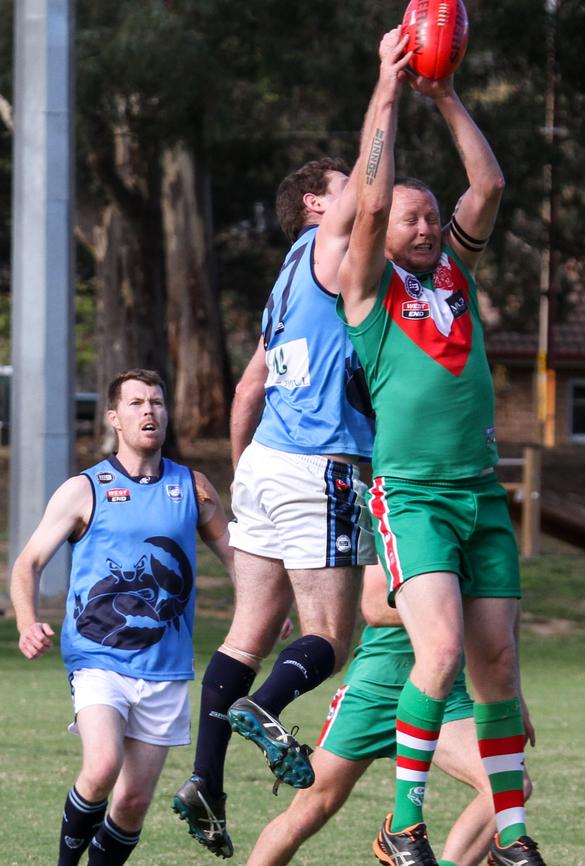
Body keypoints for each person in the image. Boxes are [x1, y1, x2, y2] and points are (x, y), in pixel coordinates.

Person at [171, 34, 414, 859]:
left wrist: (245, 484)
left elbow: (247, 389)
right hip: (322, 464)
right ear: (316, 204)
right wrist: (388, 87)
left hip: (267, 464)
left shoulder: (285, 276)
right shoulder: (327, 248)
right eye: (339, 190)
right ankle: (267, 710)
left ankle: (204, 777)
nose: (354, 193)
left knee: (247, 631)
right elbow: (371, 182)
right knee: (331, 637)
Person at [336, 29, 547, 866]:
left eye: (433, 216)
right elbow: (374, 201)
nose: (425, 226)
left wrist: (445, 94)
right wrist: (387, 89)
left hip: (480, 491)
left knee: (496, 661)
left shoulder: (454, 275)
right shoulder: (366, 288)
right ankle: (403, 826)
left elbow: (488, 182)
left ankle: (518, 835)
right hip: (414, 494)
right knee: (445, 650)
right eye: (412, 217)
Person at [10, 368, 234, 866]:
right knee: (103, 765)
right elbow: (27, 564)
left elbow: (236, 555)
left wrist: (264, 612)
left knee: (132, 804)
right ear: (114, 417)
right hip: (98, 659)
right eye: (135, 403)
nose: (149, 411)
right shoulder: (83, 489)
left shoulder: (192, 488)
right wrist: (28, 621)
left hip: (166, 667)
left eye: (156, 401)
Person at [244, 563, 533, 866]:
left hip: (443, 698)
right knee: (307, 812)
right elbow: (375, 607)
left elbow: (502, 623)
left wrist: (515, 698)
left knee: (510, 787)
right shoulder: (408, 520)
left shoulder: (485, 536)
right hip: (373, 693)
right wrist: (451, 610)